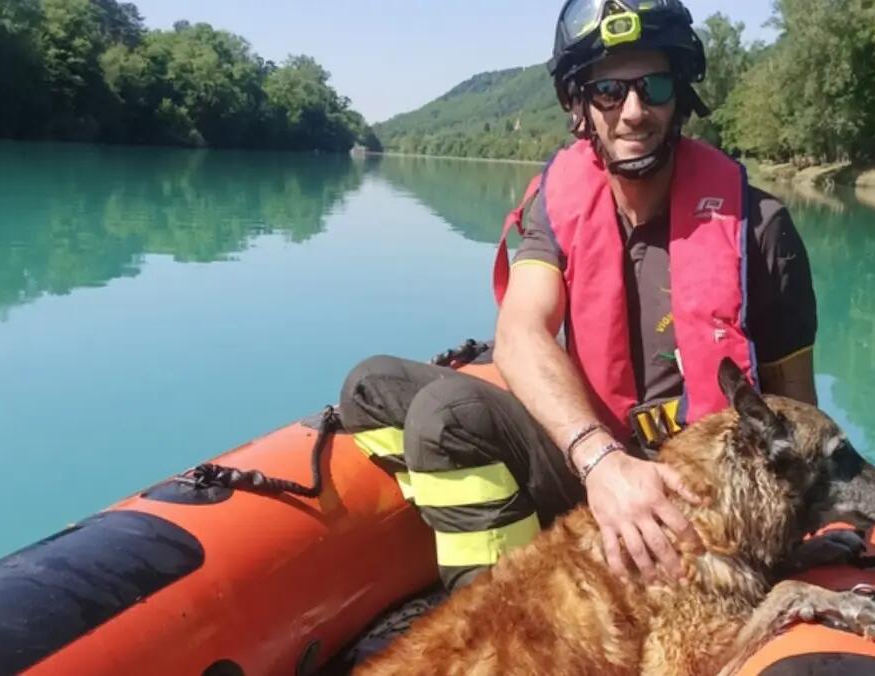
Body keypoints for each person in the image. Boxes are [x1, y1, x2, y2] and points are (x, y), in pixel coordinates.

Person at [339, 0, 816, 594]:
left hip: (698, 504)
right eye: (609, 90)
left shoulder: (762, 229)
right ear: (579, 104)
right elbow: (521, 333)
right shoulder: (559, 204)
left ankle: (526, 624)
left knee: (444, 419)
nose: (634, 111)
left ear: (682, 96)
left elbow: (800, 410)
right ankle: (517, 559)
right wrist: (603, 463)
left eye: (656, 86)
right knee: (371, 387)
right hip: (593, 463)